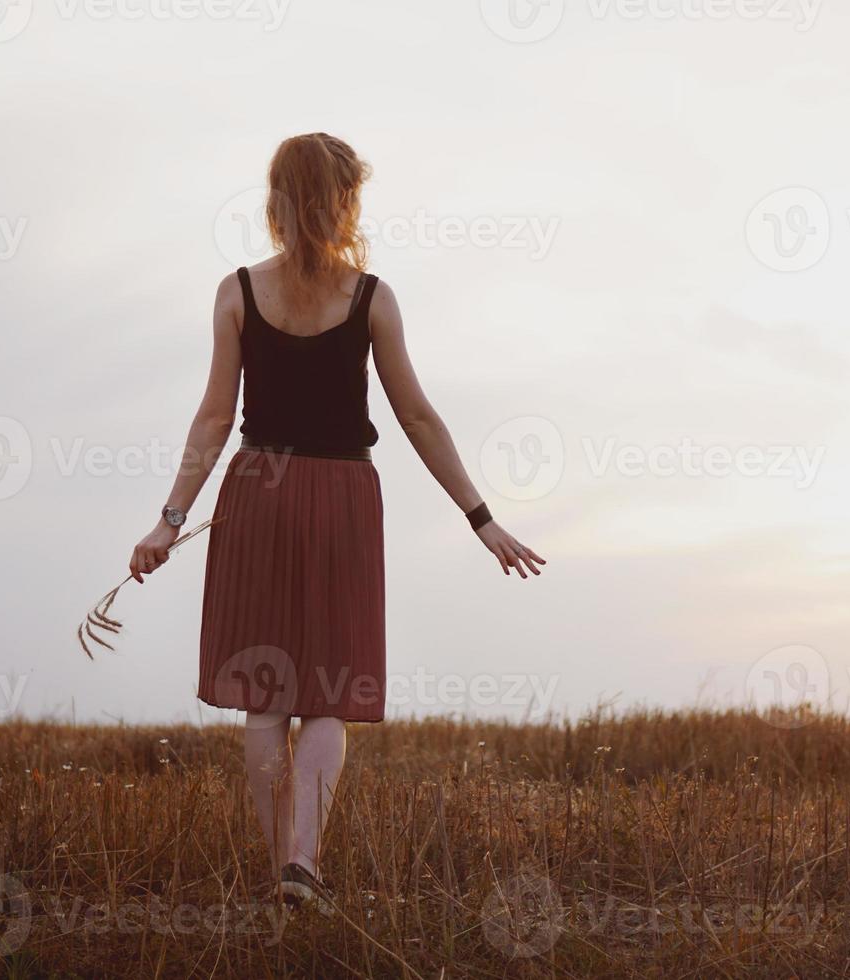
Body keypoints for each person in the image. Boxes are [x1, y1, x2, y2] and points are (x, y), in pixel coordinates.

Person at [127, 132, 545, 907]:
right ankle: (303, 863)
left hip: (257, 491)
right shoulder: (370, 297)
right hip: (344, 499)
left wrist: (169, 518)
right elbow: (417, 417)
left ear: (275, 200)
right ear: (345, 198)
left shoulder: (237, 292)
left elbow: (214, 419)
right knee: (326, 691)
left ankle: (279, 866)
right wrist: (481, 517)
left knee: (265, 691)